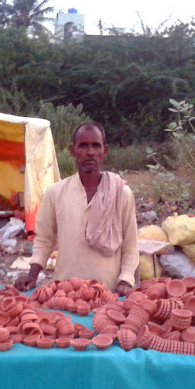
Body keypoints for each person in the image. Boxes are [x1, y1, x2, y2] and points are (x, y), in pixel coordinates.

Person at [14, 122, 139, 296]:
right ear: (73, 151)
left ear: (105, 151)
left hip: (107, 292)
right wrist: (32, 275)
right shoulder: (55, 192)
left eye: (96, 146)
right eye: (83, 146)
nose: (90, 152)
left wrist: (125, 281)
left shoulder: (121, 194)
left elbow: (130, 245)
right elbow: (44, 239)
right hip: (65, 292)